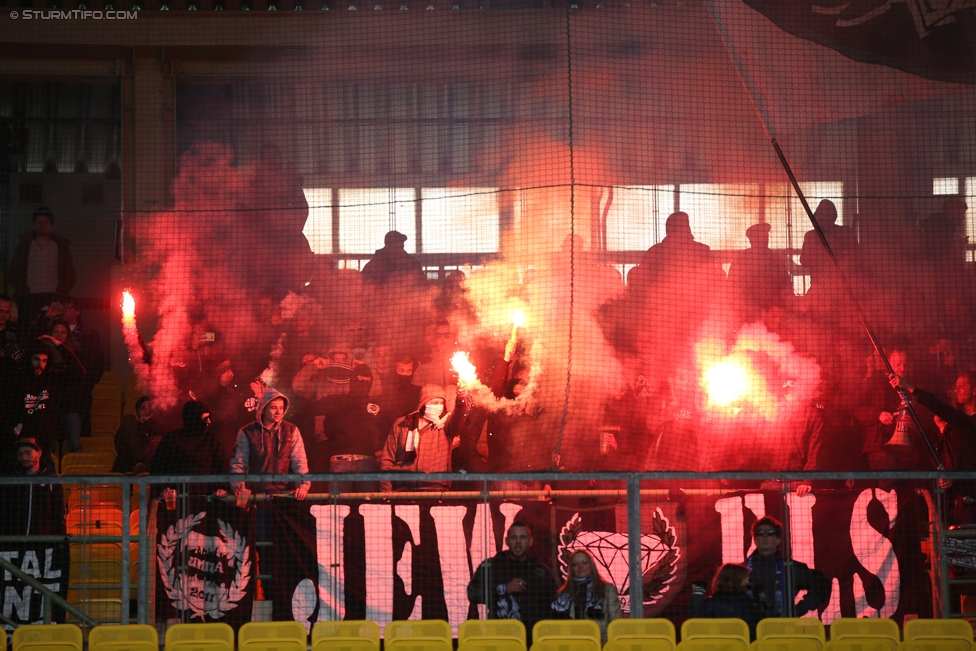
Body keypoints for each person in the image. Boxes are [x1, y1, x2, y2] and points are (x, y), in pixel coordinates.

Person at [468, 521, 556, 646]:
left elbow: (553, 607)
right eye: (514, 537)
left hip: (534, 641)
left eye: (523, 537)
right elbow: (472, 593)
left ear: (531, 541)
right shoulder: (491, 566)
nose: (518, 542)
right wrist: (503, 589)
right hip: (499, 639)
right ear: (507, 541)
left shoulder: (541, 572)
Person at [228, 389, 310, 501]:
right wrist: (238, 487)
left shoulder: (292, 430)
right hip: (253, 494)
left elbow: (300, 461)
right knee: (243, 516)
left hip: (284, 494)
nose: (278, 412)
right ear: (263, 408)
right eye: (274, 407)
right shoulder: (247, 431)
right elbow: (238, 464)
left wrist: (303, 486)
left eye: (281, 408)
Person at [378, 384, 457, 492]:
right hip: (402, 490)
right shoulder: (402, 424)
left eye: (441, 403)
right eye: (434, 403)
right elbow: (387, 459)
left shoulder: (446, 425)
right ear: (423, 403)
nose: (439, 406)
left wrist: (461, 400)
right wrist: (386, 490)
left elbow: (459, 417)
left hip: (436, 490)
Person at [746, 516, 827, 619]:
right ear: (755, 539)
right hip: (750, 629)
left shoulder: (791, 568)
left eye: (770, 533)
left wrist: (799, 609)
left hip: (783, 627)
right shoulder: (741, 570)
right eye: (760, 533)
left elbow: (822, 584)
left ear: (778, 540)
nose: (765, 536)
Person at [7, 207, 76, 324]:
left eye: (46, 222)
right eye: (39, 222)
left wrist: (61, 291)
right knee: (28, 329)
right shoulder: (24, 246)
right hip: (29, 298)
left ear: (51, 225)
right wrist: (22, 290)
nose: (42, 225)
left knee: (53, 329)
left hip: (53, 297)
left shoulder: (60, 247)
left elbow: (71, 274)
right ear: (34, 224)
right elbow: (13, 271)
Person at [151, 400, 222, 501]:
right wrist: (163, 489)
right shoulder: (172, 439)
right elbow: (157, 468)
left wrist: (222, 488)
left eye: (209, 417)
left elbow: (221, 466)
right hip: (176, 498)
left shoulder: (211, 439)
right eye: (205, 418)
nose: (209, 422)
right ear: (193, 418)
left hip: (205, 499)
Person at [726, 222, 792, 323]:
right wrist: (740, 307)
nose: (765, 239)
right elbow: (731, 288)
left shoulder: (776, 259)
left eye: (766, 236)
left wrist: (784, 306)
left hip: (773, 311)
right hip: (749, 311)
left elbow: (786, 285)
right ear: (752, 240)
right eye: (762, 237)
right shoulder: (741, 260)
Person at [551, 549, 621, 643]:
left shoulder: (608, 590)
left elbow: (615, 623)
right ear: (571, 569)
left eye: (584, 562)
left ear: (591, 566)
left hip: (600, 644)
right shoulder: (563, 594)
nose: (580, 566)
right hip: (572, 645)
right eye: (575, 564)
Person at [0, 437, 65, 536]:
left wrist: (59, 540)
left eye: (28, 453)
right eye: (21, 454)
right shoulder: (11, 480)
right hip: (16, 543)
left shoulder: (52, 481)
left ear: (39, 453)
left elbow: (59, 514)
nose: (24, 457)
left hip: (45, 543)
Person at [689, 564, 760, 639]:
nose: (748, 582)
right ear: (738, 580)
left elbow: (696, 627)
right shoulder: (749, 604)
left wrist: (697, 598)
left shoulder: (709, 603)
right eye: (746, 578)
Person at [112, 396, 163, 474]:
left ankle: (141, 464)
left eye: (150, 408)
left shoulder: (161, 428)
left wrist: (151, 424)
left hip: (153, 468)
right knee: (129, 418)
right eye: (143, 408)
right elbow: (119, 446)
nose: (147, 411)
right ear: (138, 412)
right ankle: (139, 463)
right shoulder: (131, 426)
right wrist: (140, 426)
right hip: (129, 469)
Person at [360, 230, 425, 287]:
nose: (401, 249)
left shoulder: (411, 263)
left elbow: (423, 284)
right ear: (388, 246)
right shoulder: (375, 265)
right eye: (398, 247)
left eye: (401, 246)